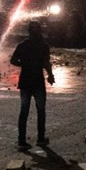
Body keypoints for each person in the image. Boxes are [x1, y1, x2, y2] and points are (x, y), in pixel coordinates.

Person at [9, 20, 55, 149]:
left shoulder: (22, 45)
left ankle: (21, 141)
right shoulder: (43, 46)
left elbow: (13, 60)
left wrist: (24, 64)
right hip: (38, 81)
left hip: (25, 81)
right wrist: (50, 76)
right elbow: (46, 63)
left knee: (24, 111)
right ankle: (40, 139)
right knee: (41, 110)